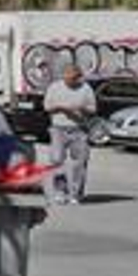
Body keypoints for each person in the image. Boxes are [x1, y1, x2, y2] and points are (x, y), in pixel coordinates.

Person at [44, 64, 97, 204]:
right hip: (58, 128)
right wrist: (61, 108)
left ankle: (75, 193)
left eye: (75, 78)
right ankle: (60, 192)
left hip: (79, 129)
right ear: (64, 75)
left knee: (79, 162)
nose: (72, 80)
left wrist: (81, 108)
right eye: (69, 77)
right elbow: (47, 107)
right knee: (57, 160)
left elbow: (93, 110)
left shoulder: (86, 89)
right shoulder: (54, 87)